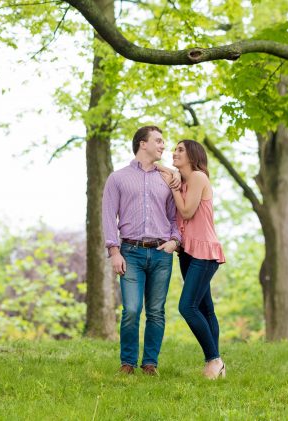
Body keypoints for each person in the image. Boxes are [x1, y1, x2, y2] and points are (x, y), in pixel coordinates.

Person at [101, 125, 182, 376]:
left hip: (161, 254)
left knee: (156, 311)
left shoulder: (167, 178)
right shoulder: (118, 178)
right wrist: (114, 252)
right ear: (142, 144)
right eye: (158, 141)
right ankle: (127, 364)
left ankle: (150, 364)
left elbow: (175, 217)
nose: (163, 146)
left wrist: (175, 241)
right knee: (132, 310)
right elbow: (107, 216)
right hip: (131, 253)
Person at [160, 139, 227, 380]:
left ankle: (213, 359)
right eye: (174, 149)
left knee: (187, 307)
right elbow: (163, 168)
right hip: (187, 252)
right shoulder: (183, 179)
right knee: (205, 308)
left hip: (204, 252)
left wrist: (174, 188)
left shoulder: (198, 177)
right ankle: (217, 365)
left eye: (180, 150)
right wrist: (163, 170)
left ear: (192, 155)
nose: (174, 153)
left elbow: (187, 211)